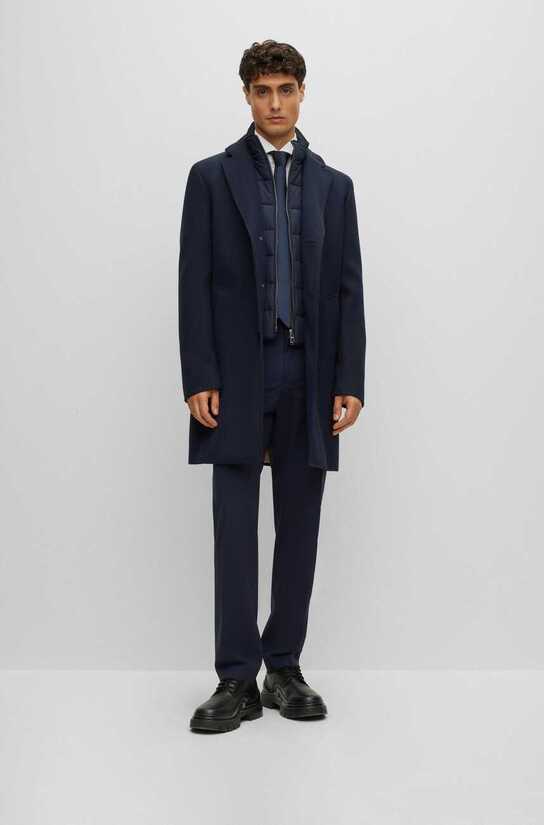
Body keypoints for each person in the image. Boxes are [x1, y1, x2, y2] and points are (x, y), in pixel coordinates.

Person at [178, 40, 366, 733]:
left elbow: (348, 288)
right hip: (235, 377)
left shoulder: (334, 187)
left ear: (302, 92)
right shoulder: (210, 177)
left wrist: (349, 378)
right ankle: (235, 678)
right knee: (234, 526)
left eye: (286, 89)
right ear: (247, 96)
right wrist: (200, 375)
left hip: (307, 377)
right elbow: (193, 281)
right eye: (263, 91)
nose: (276, 103)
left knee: (300, 526)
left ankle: (283, 667)